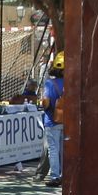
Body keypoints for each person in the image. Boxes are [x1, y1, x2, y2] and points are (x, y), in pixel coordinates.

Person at [41, 53, 65, 188]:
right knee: (63, 149)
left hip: (52, 120)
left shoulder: (50, 83)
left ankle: (55, 176)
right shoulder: (71, 82)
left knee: (54, 149)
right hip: (67, 120)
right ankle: (64, 174)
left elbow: (46, 102)